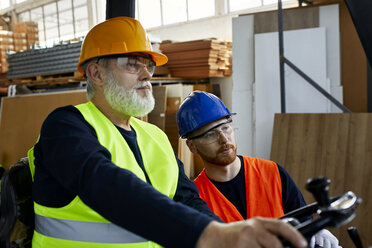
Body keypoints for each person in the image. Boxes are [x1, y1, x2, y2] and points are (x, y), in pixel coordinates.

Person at [27, 17, 307, 248]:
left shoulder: (155, 137)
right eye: (131, 64)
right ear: (97, 74)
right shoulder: (65, 126)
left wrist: (225, 235)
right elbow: (104, 184)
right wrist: (207, 235)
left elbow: (188, 200)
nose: (147, 74)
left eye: (148, 65)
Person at [176, 91, 341, 248]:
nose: (224, 139)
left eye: (225, 127)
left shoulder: (272, 173)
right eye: (210, 134)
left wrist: (317, 231)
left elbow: (302, 221)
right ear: (192, 146)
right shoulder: (195, 198)